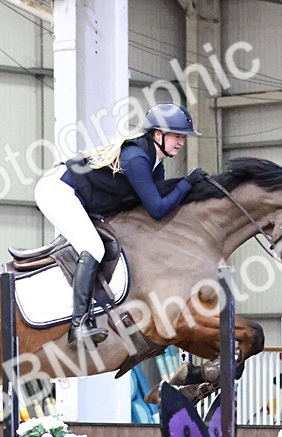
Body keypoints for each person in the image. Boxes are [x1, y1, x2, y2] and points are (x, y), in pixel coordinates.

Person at [35, 102, 211, 348]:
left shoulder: (156, 164)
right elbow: (158, 209)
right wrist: (187, 183)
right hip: (58, 190)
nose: (181, 142)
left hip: (78, 195)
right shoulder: (136, 158)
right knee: (93, 247)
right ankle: (79, 325)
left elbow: (152, 210)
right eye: (176, 136)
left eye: (183, 137)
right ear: (157, 134)